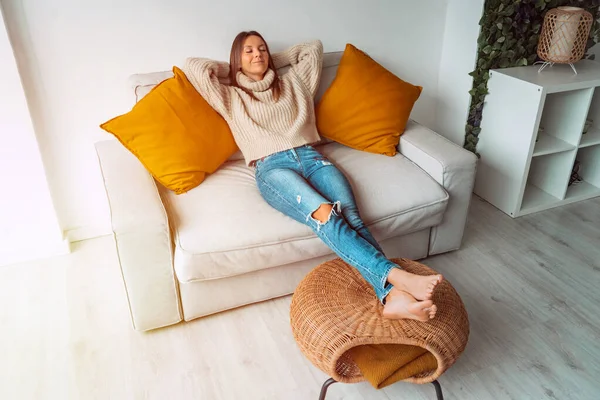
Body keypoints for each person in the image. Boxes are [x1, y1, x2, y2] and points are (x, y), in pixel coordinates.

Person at [183, 31, 442, 321]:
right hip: (272, 168)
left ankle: (393, 297)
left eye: (263, 49)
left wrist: (270, 62)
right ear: (237, 59)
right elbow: (195, 67)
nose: (258, 54)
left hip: (313, 157)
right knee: (326, 215)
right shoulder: (229, 95)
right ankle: (398, 278)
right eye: (249, 51)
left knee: (352, 217)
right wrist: (235, 69)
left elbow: (312, 49)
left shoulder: (294, 83)